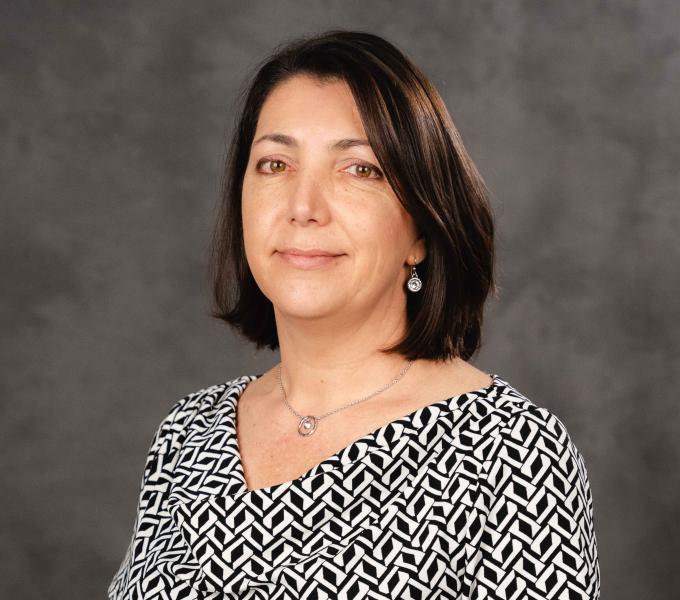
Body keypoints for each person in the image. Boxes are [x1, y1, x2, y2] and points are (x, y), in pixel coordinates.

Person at [108, 29, 600, 599]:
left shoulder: (512, 456)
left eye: (359, 169)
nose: (303, 207)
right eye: (274, 164)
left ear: (422, 225)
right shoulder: (187, 436)